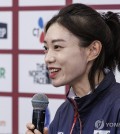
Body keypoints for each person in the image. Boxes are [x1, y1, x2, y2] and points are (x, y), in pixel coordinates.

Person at [26, 3, 120, 134]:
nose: (48, 58)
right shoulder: (63, 113)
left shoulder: (117, 107)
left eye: (57, 47)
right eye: (46, 49)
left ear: (93, 50)